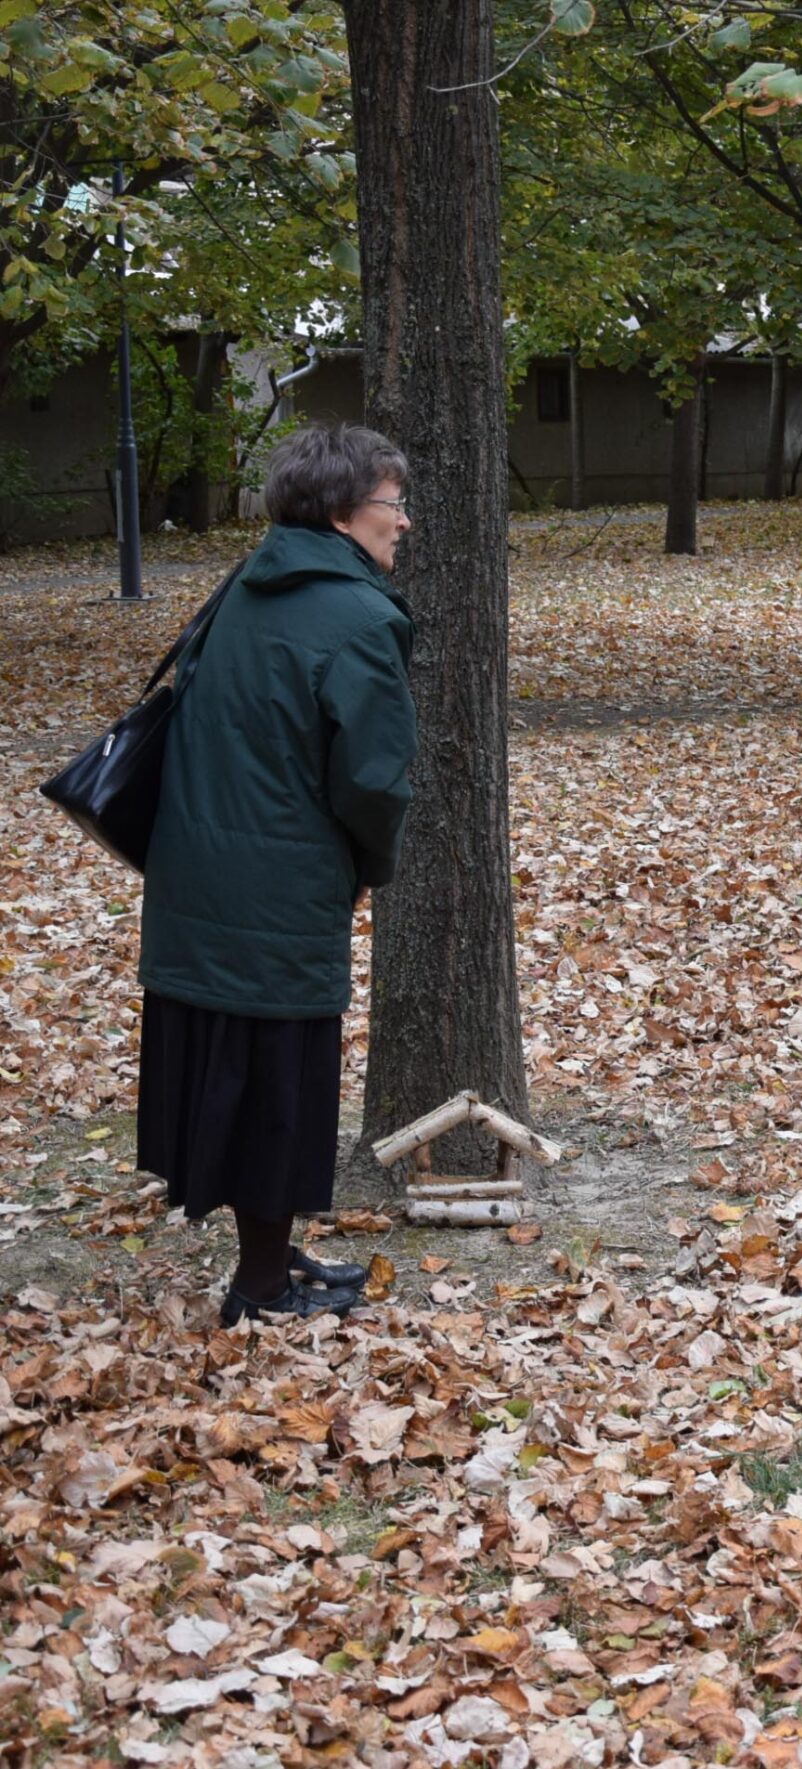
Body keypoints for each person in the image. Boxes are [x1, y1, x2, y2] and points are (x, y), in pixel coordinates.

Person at [139, 423, 419, 1325]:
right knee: (278, 1089)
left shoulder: (243, 590)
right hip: (282, 889)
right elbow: (374, 778)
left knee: (236, 1077)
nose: (403, 521)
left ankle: (269, 1257)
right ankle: (259, 1290)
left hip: (197, 882)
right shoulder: (363, 619)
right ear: (342, 513)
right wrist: (371, 865)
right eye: (391, 502)